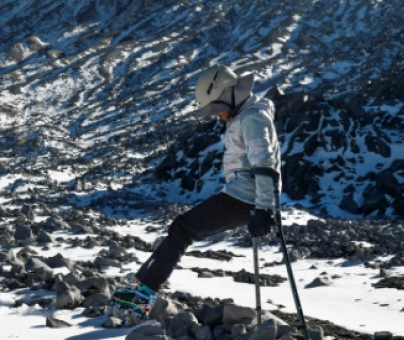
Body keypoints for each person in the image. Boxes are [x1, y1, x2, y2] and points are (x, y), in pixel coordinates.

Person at [111, 64, 282, 321]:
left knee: (183, 228)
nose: (217, 115)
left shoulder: (252, 118)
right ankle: (142, 285)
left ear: (231, 96)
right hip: (244, 194)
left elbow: (265, 163)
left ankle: (142, 294)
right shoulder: (245, 114)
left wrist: (265, 209)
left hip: (247, 198)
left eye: (217, 107)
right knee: (182, 227)